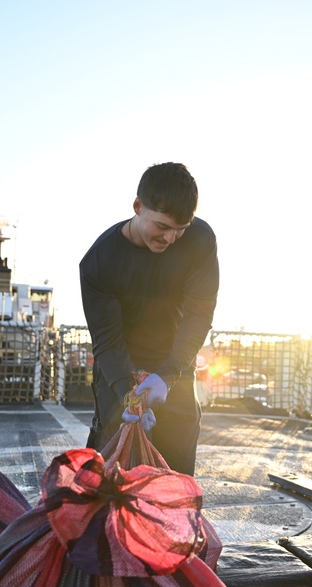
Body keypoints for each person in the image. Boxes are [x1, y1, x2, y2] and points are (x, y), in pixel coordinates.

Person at [79, 162, 218, 475]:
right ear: (138, 207)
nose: (170, 239)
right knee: (116, 466)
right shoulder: (99, 262)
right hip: (119, 365)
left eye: (180, 230)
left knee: (178, 458)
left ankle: (171, 523)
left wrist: (168, 374)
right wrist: (129, 393)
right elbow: (107, 341)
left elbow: (199, 313)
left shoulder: (200, 240)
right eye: (162, 227)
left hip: (176, 361)